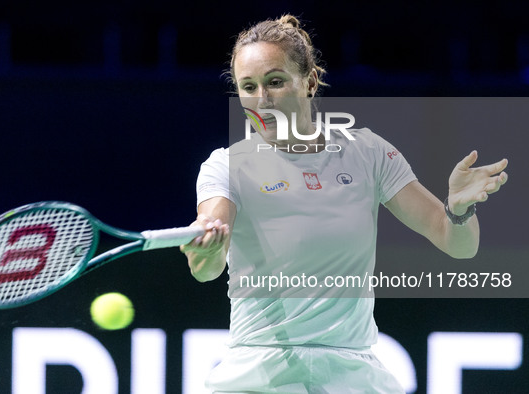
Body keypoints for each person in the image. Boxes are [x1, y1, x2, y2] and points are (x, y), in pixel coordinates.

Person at [181, 14, 509, 393]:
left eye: (275, 82)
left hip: (350, 371)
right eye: (248, 87)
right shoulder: (226, 165)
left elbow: (458, 245)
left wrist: (460, 209)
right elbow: (205, 267)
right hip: (262, 369)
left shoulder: (367, 153)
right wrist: (207, 249)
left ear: (309, 82)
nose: (262, 100)